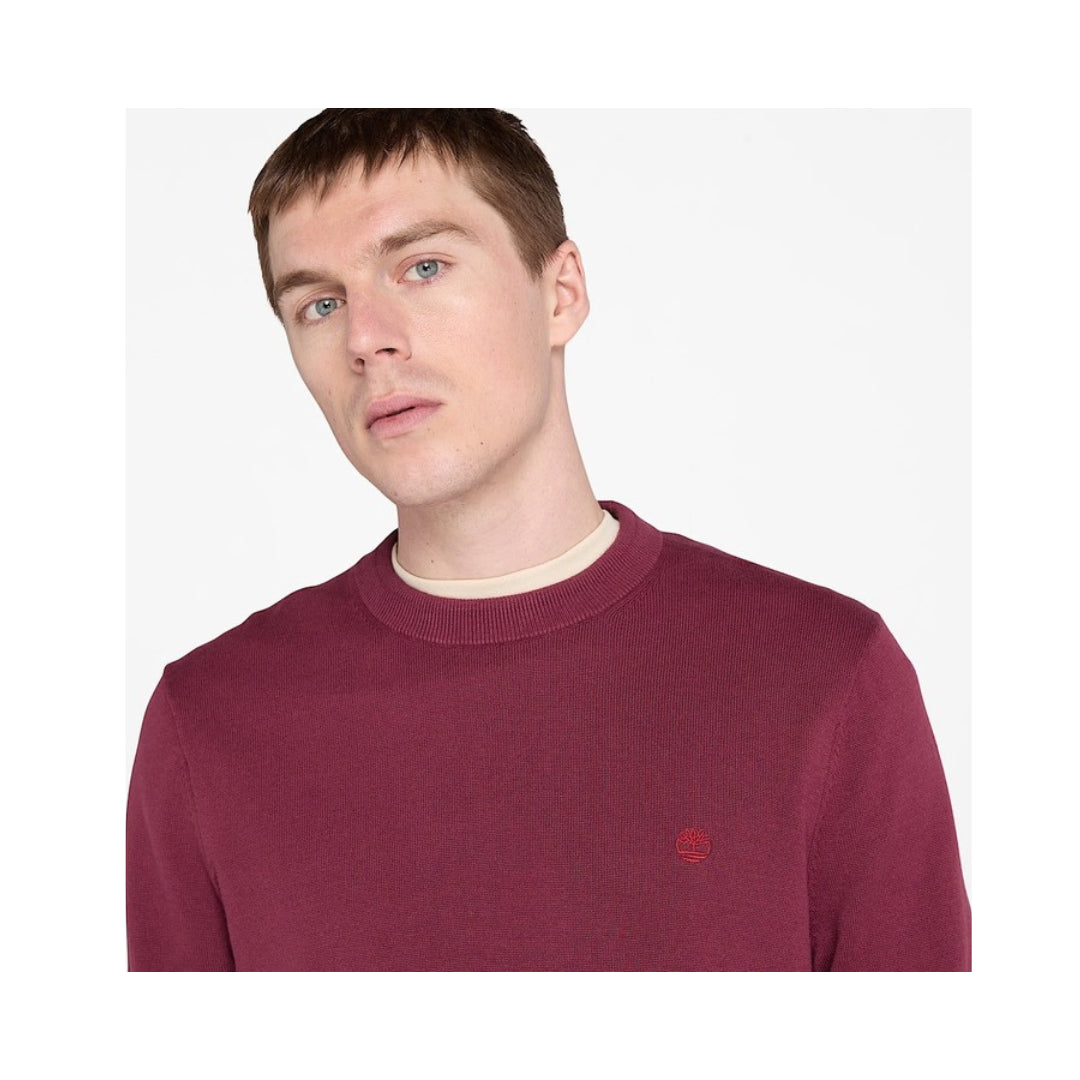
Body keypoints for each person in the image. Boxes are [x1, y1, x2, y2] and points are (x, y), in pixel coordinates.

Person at [126, 108, 971, 971]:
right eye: (319, 304)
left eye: (423, 267)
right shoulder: (211, 724)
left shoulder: (825, 673)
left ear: (560, 293)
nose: (366, 338)